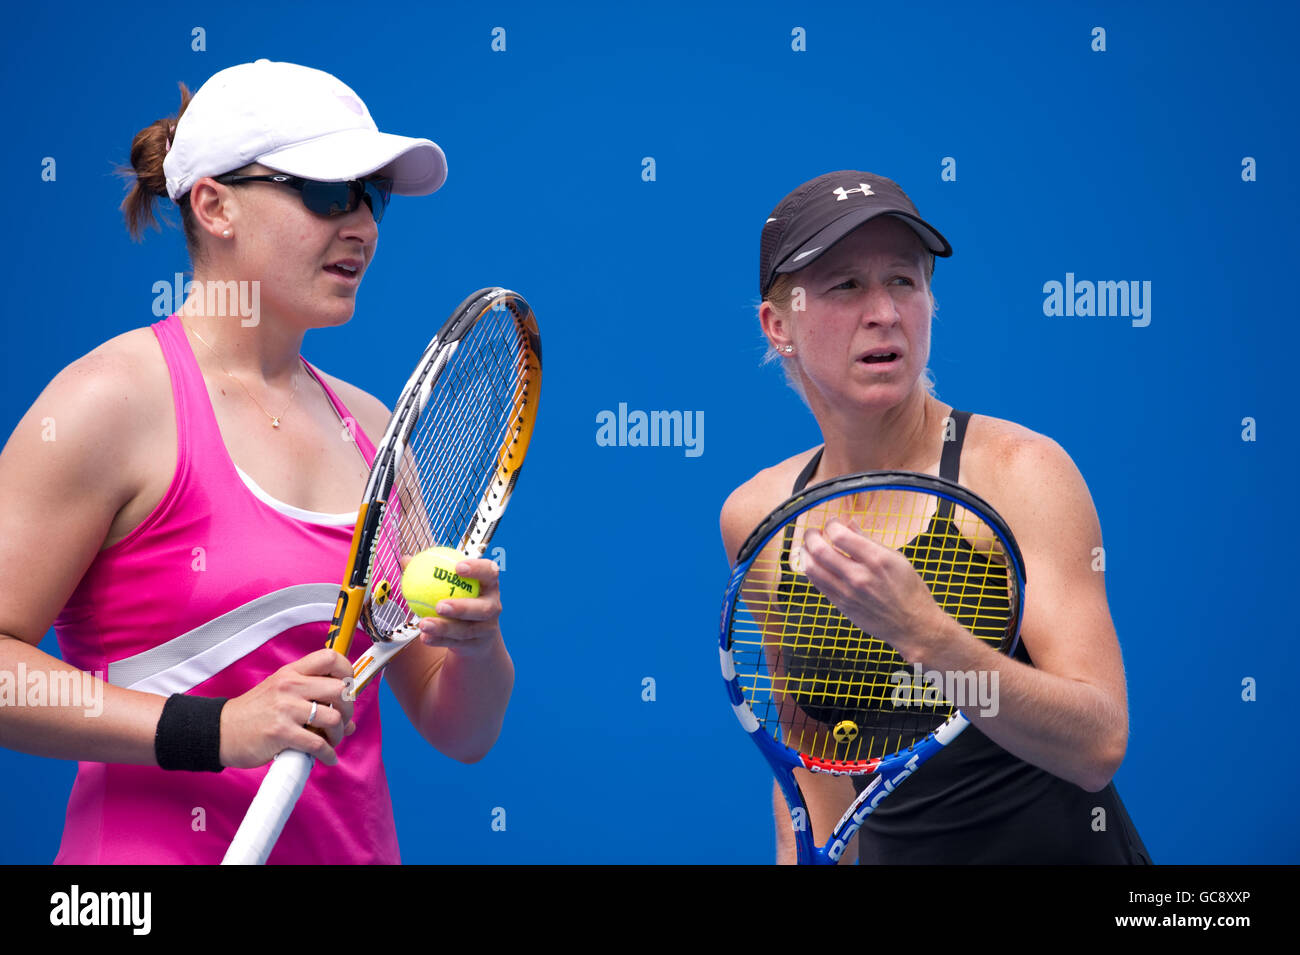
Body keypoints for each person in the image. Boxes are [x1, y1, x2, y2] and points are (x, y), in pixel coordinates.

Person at [0, 60, 513, 863]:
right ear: (214, 203)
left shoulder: (375, 431)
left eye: (370, 196)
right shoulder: (108, 402)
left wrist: (477, 650)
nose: (363, 226)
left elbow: (461, 729)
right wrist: (216, 728)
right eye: (326, 192)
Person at [719, 170, 1150, 864]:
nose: (884, 311)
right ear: (779, 326)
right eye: (846, 286)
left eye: (904, 281)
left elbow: (1099, 744)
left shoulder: (1021, 473)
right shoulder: (760, 516)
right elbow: (816, 763)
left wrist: (923, 633)